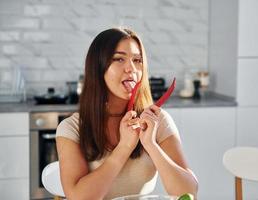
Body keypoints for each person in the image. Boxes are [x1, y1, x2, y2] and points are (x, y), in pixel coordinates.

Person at [56, 27, 198, 200]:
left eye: (137, 60)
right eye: (119, 59)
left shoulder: (157, 121)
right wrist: (124, 147)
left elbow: (188, 192)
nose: (131, 68)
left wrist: (151, 144)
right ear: (98, 67)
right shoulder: (72, 128)